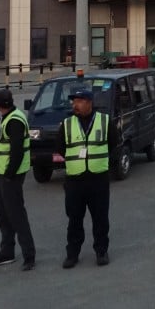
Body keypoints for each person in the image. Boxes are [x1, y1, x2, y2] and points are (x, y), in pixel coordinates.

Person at [58, 88, 117, 268]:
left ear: (89, 103)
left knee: (100, 218)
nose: (75, 104)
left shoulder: (105, 121)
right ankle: (72, 254)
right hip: (75, 181)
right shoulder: (66, 124)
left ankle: (101, 251)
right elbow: (61, 147)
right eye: (74, 101)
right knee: (74, 219)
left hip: (97, 180)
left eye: (80, 101)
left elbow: (113, 144)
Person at [0, 88, 36, 271]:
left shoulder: (14, 120)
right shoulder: (8, 116)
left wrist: (8, 175)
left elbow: (16, 152)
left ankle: (28, 255)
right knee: (4, 216)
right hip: (1, 175)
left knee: (16, 216)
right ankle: (6, 251)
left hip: (10, 177)